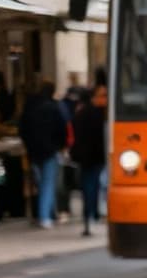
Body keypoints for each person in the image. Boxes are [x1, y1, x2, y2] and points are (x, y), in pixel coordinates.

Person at [19, 79, 68, 229]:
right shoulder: (54, 107)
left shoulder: (29, 106)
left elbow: (23, 129)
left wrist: (28, 146)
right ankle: (45, 216)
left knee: (40, 183)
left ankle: (48, 213)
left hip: (33, 151)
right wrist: (60, 145)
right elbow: (62, 128)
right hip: (50, 150)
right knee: (48, 183)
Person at [70, 80, 108, 237]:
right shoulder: (97, 114)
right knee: (93, 187)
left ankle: (90, 216)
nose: (105, 99)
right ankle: (92, 215)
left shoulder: (82, 113)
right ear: (94, 97)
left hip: (86, 157)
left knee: (89, 187)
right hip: (94, 157)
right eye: (102, 96)